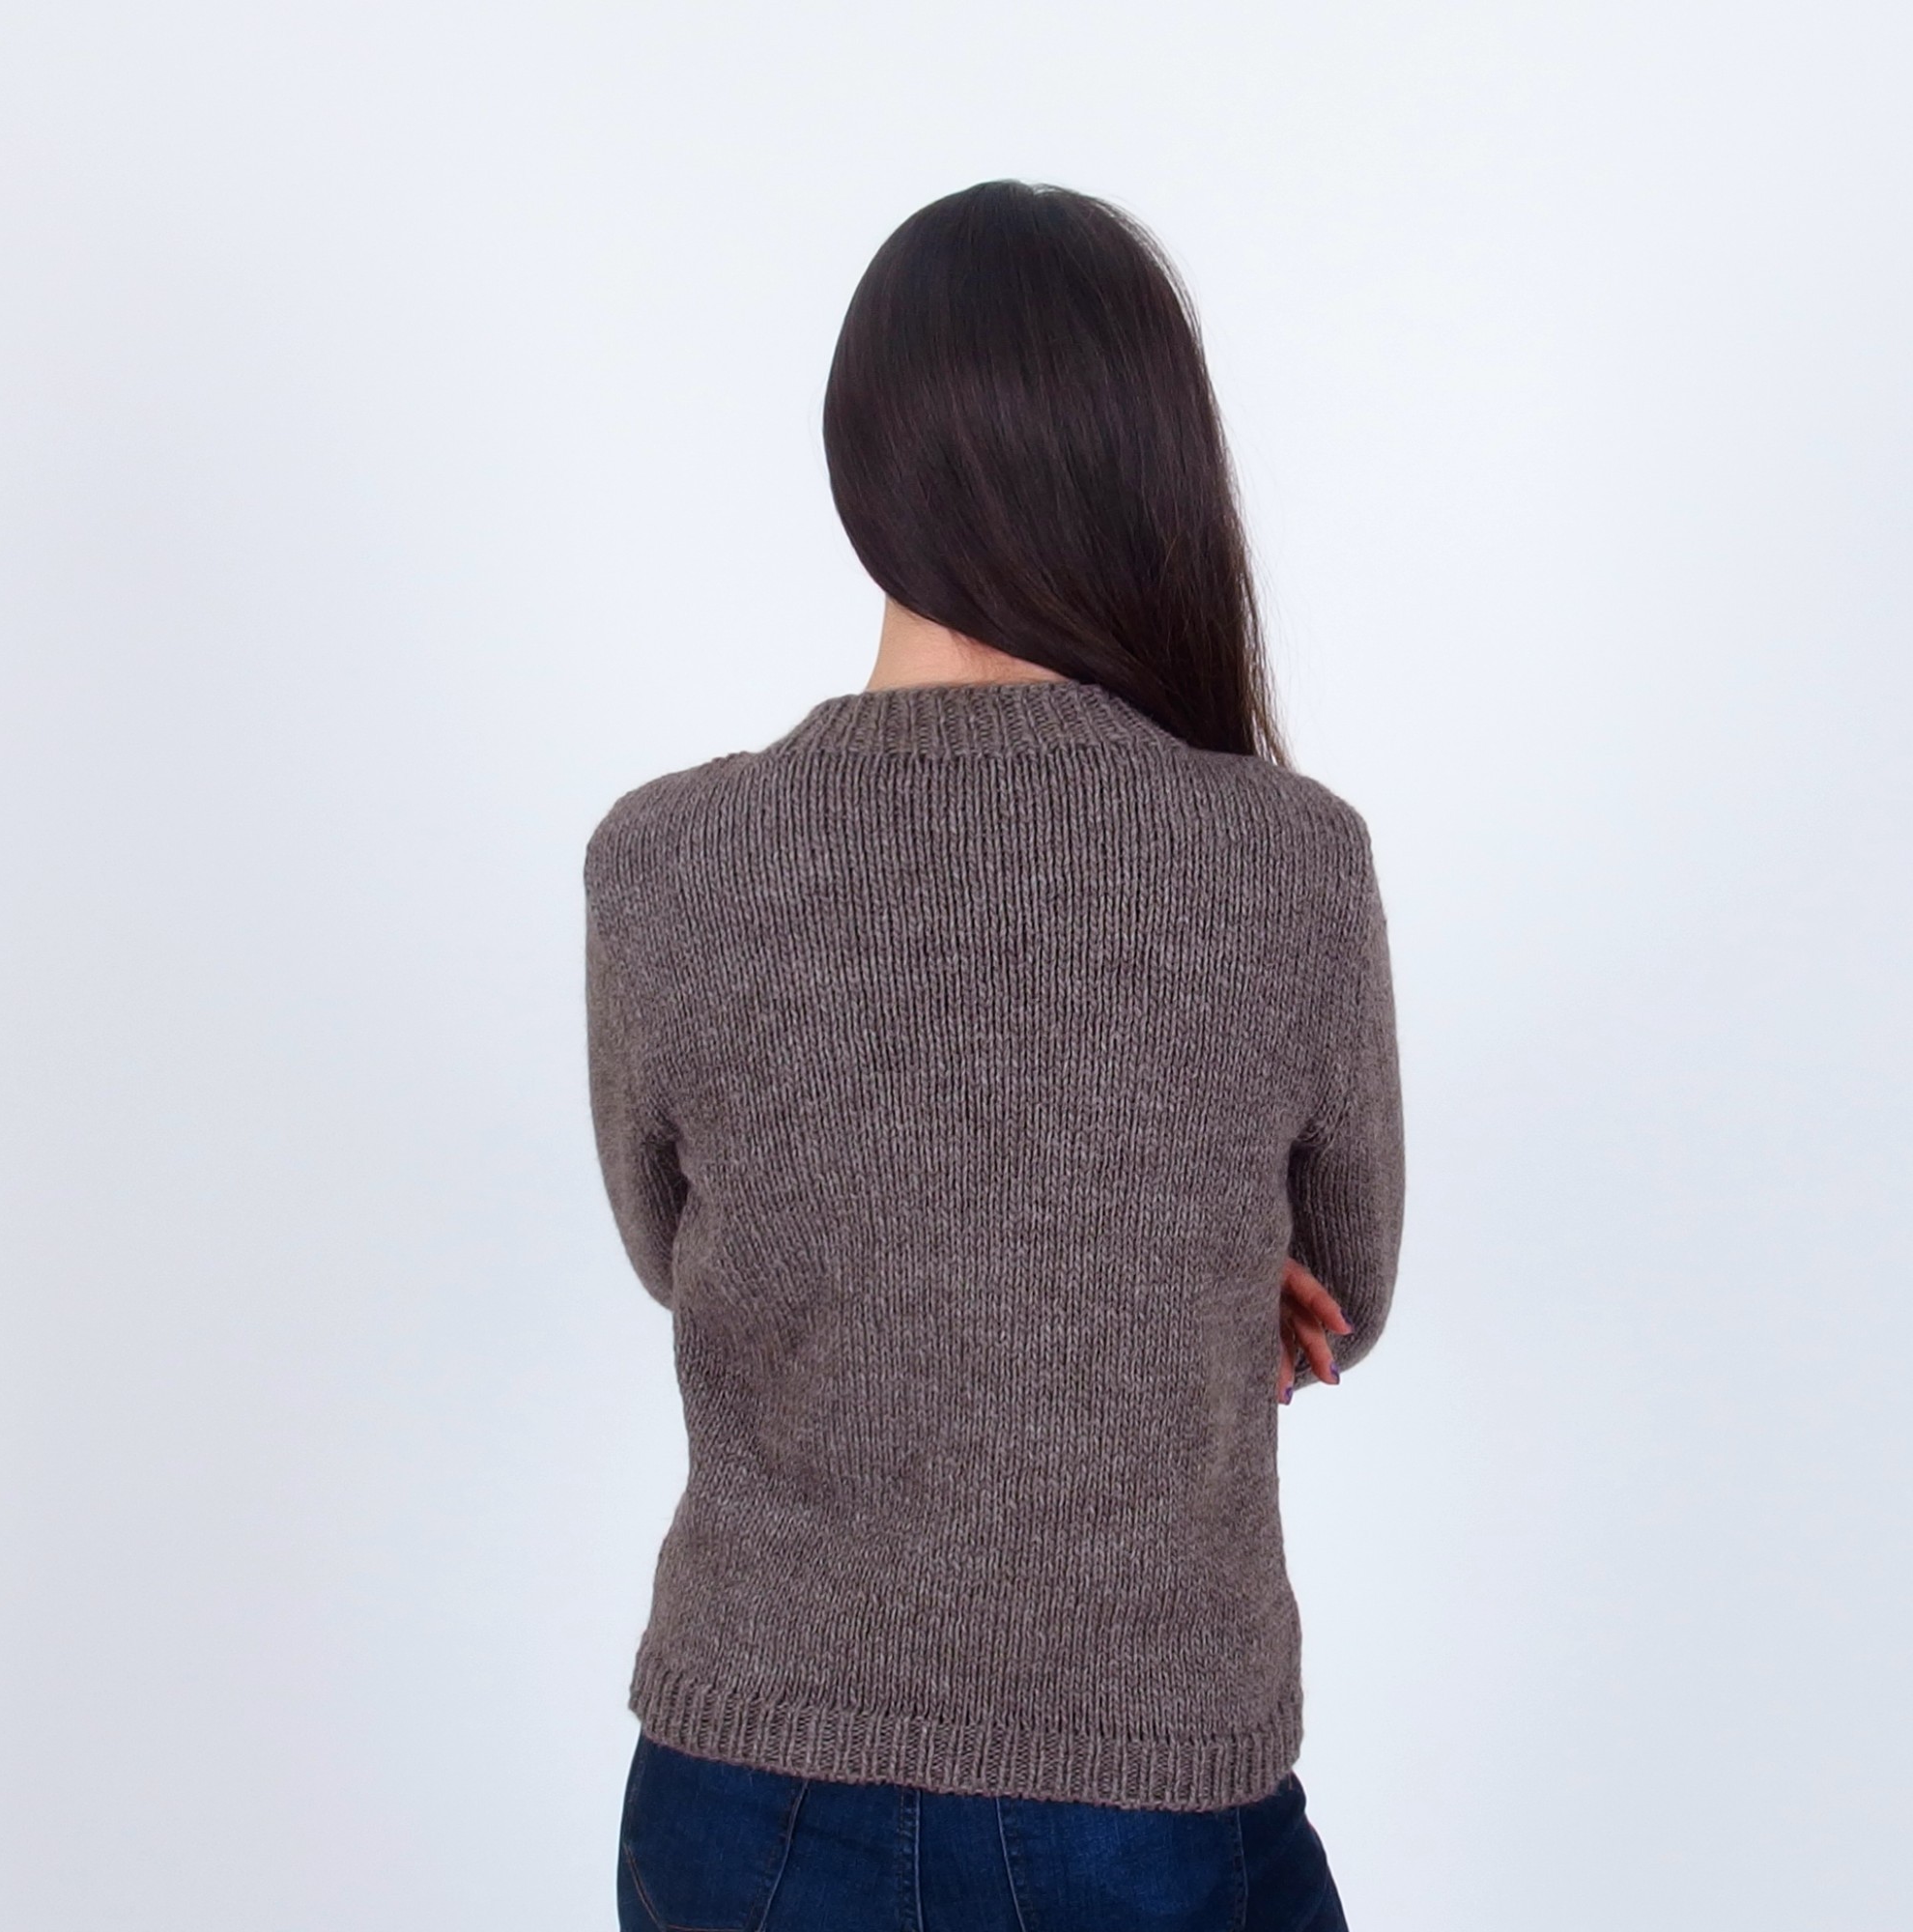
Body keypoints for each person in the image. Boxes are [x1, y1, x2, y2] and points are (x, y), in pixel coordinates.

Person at [585, 178, 1404, 1932]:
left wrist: (933, 1253)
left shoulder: (663, 863)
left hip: (743, 1791)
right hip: (1141, 1778)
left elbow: (682, 1250)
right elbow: (1351, 1289)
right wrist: (1158, 1261)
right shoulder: (1287, 862)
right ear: (1151, 465)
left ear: (858, 463)